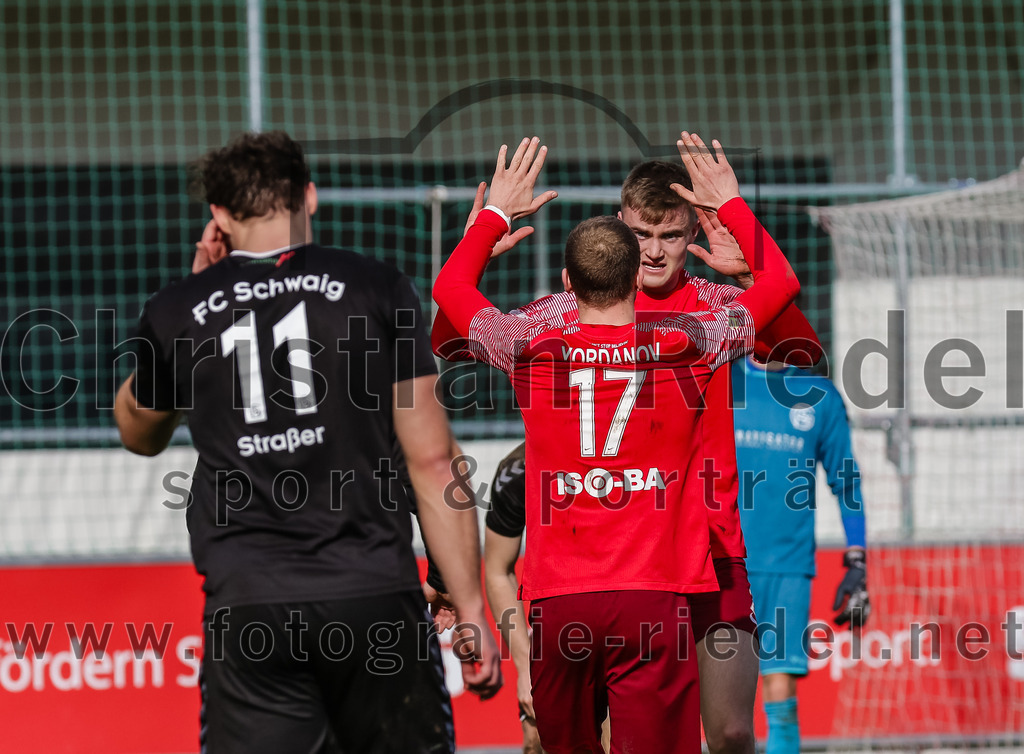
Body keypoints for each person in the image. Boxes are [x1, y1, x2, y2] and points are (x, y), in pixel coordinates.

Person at [113, 131, 501, 754]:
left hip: (252, 608)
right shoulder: (376, 287)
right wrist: (474, 611)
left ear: (218, 214)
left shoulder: (178, 310)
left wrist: (190, 312)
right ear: (310, 198)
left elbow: (138, 432)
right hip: (373, 597)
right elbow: (434, 462)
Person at [433, 156, 822, 754]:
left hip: (710, 547)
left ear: (695, 230)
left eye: (671, 235)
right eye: (641, 235)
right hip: (621, 557)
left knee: (732, 732)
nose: (656, 251)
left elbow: (802, 352)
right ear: (619, 228)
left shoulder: (713, 306)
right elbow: (451, 340)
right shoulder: (571, 311)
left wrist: (749, 279)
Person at [732, 356, 869, 754]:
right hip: (719, 563)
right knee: (718, 702)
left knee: (779, 690)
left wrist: (857, 560)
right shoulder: (718, 381)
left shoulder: (819, 396)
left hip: (786, 566)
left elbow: (847, 481)